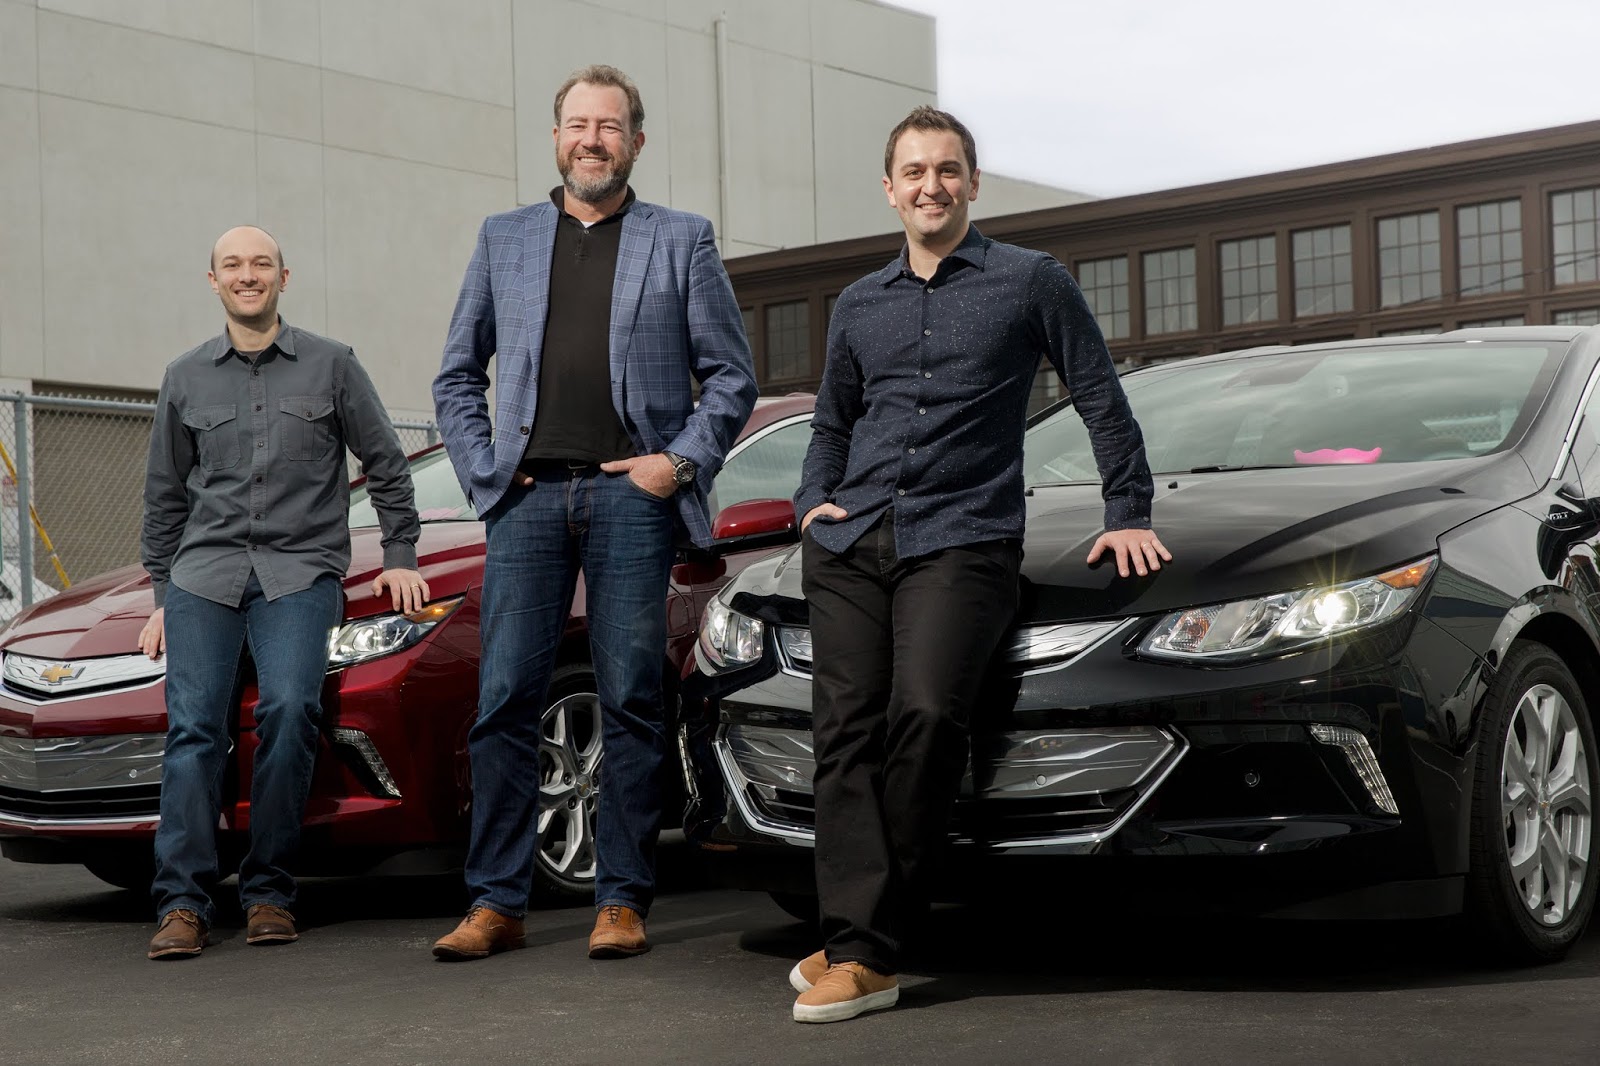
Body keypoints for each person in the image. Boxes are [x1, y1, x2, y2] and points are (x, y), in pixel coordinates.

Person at [787, 107, 1171, 1022]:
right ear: (890, 189)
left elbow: (1099, 395)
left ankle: (864, 941)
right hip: (850, 543)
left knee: (926, 713)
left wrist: (1128, 511)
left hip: (963, 538)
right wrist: (811, 502)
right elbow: (833, 422)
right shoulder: (859, 302)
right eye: (916, 172)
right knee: (844, 735)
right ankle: (865, 947)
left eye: (948, 170)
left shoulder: (1031, 280)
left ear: (972, 182)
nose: (933, 186)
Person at [430, 65, 757, 962]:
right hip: (527, 500)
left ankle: (621, 899)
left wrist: (675, 464)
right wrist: (488, 475)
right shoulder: (503, 238)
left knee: (633, 700)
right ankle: (496, 902)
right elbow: (456, 375)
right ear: (556, 137)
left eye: (609, 127)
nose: (592, 140)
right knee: (504, 702)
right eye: (578, 124)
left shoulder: (681, 239)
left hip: (630, 501)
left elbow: (732, 377)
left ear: (635, 142)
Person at [141, 226, 426, 959]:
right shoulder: (184, 377)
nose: (248, 275)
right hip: (203, 578)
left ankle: (269, 890)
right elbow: (164, 495)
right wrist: (161, 597)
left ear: (283, 277)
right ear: (213, 281)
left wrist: (399, 553)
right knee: (194, 729)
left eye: (260, 263)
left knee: (292, 709)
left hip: (299, 573)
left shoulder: (333, 365)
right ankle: (183, 903)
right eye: (233, 265)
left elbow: (386, 462)